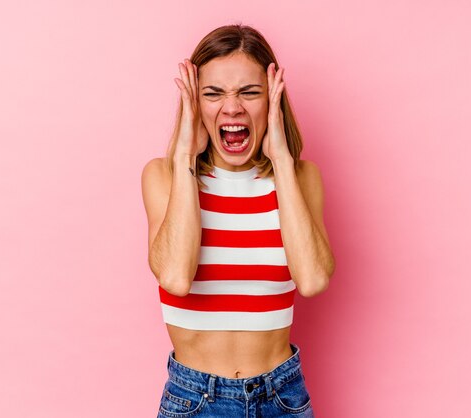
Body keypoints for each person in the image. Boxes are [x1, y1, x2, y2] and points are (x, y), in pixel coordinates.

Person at [141, 24, 335, 417]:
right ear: (195, 103)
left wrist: (281, 161)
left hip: (283, 396)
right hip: (195, 399)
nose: (232, 108)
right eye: (213, 94)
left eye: (250, 92)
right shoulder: (164, 176)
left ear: (273, 99)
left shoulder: (300, 178)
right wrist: (183, 159)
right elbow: (176, 278)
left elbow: (313, 279)